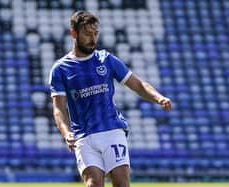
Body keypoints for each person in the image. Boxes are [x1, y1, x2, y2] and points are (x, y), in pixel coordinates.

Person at [49, 11, 172, 187]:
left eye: (95, 34)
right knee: (94, 184)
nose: (93, 39)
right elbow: (58, 108)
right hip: (83, 136)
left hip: (112, 130)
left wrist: (158, 98)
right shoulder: (60, 69)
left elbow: (137, 84)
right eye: (87, 34)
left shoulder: (106, 59)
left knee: (121, 183)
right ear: (74, 33)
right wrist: (66, 132)